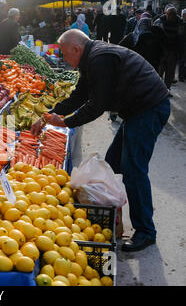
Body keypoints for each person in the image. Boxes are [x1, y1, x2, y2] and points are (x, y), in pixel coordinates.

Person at [31, 29, 170, 252]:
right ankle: (111, 218)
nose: (65, 60)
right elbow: (80, 95)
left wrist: (66, 123)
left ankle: (146, 231)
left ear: (76, 48)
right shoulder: (90, 59)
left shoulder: (100, 59)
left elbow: (97, 105)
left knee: (133, 169)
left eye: (65, 55)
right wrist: (48, 115)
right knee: (112, 162)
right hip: (137, 110)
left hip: (148, 108)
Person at [154, 5, 184, 89]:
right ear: (166, 14)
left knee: (170, 73)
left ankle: (167, 89)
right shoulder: (159, 21)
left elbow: (181, 38)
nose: (171, 16)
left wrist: (180, 53)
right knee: (159, 71)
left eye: (173, 14)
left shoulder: (180, 22)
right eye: (170, 14)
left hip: (173, 52)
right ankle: (157, 89)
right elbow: (155, 35)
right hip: (161, 51)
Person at [179, 8, 186, 82]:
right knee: (182, 61)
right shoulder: (180, 22)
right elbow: (180, 34)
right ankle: (181, 76)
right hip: (182, 44)